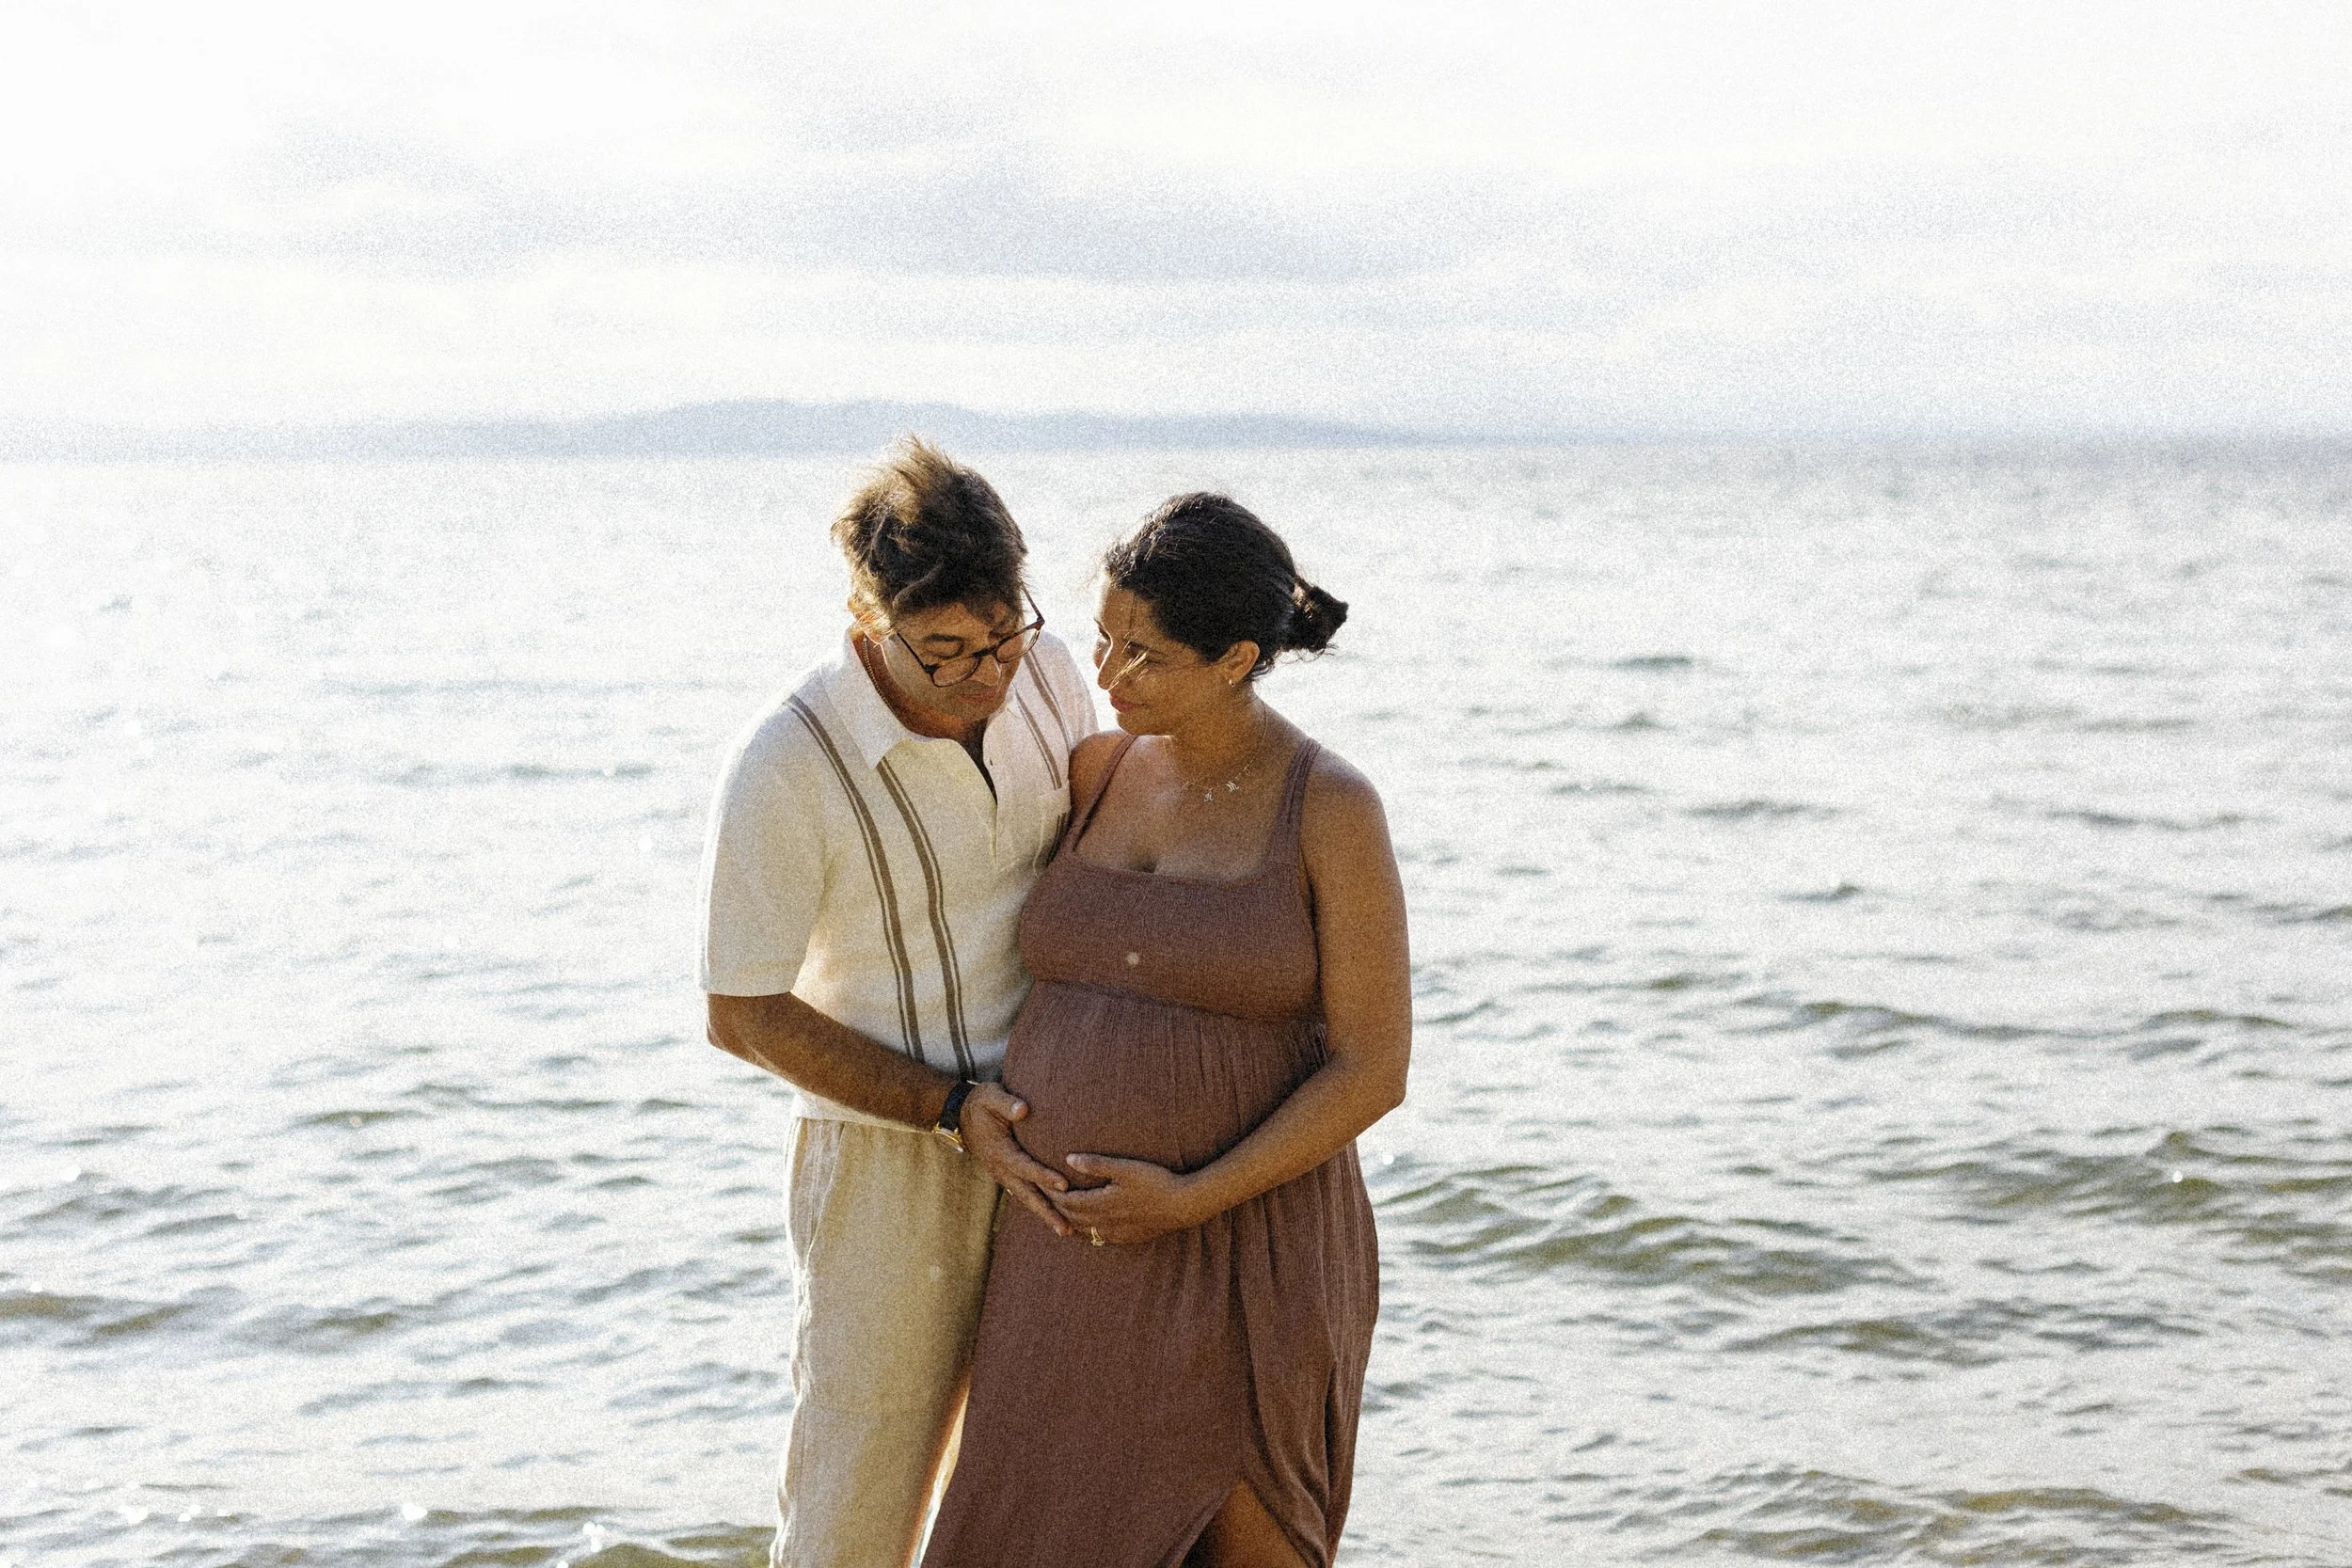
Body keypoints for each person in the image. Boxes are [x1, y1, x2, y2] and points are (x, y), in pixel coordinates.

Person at [921, 493, 1413, 1568]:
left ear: (1237, 656)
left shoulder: (1328, 805)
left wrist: (1191, 1195)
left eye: (1144, 654)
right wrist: (972, 1114)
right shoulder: (1095, 773)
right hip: (1064, 1254)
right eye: (1100, 635)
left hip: (1249, 1249)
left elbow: (1374, 1068)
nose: (1105, 674)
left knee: (1241, 1535)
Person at [696, 437, 1098, 1568]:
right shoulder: (784, 760)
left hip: (1059, 1137)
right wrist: (946, 1102)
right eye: (944, 651)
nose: (987, 675)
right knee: (859, 1502)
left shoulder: (1049, 669)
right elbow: (741, 1011)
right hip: (888, 1161)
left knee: (1045, 1487)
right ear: (866, 618)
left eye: (1001, 633)